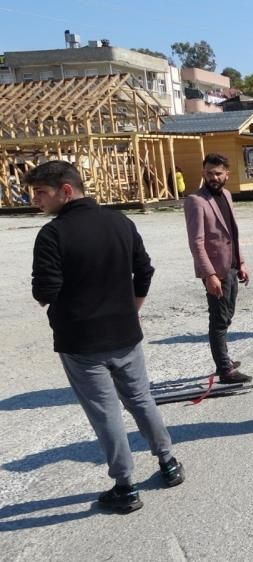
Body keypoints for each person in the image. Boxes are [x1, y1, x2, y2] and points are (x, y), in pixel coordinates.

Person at [29, 161, 184, 514]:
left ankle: (126, 486)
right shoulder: (120, 222)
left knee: (106, 413)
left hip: (81, 341)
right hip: (125, 332)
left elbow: (45, 290)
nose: (36, 200)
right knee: (141, 399)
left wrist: (51, 296)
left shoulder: (53, 234)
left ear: (65, 190)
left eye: (41, 192)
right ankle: (168, 462)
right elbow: (144, 271)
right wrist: (133, 307)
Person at [183, 154, 251, 384]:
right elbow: (196, 242)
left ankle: (225, 360)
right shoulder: (196, 201)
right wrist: (209, 274)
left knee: (227, 315)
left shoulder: (227, 195)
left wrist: (240, 262)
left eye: (218, 173)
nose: (213, 177)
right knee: (219, 319)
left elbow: (232, 232)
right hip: (215, 271)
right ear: (204, 173)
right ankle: (225, 369)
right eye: (209, 173)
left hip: (231, 266)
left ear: (226, 175)